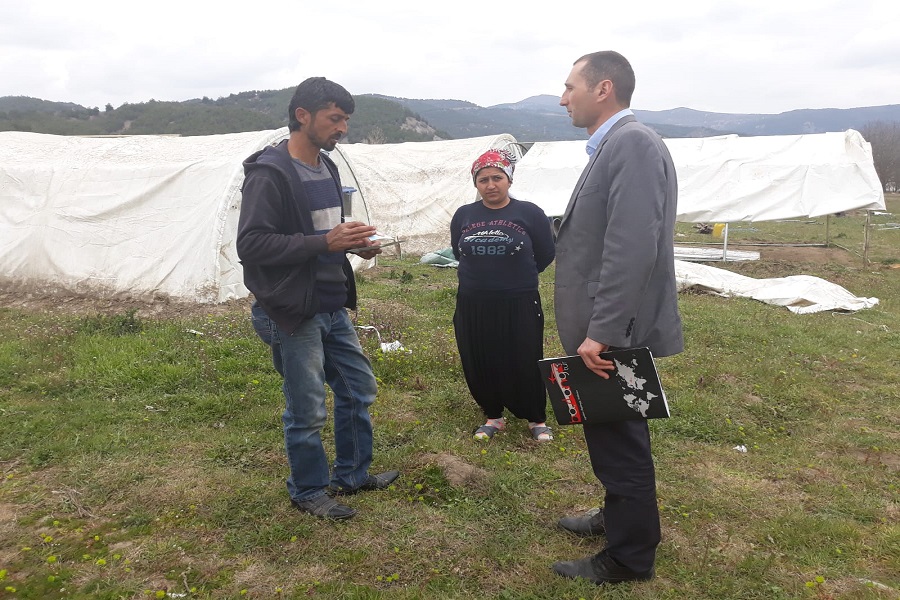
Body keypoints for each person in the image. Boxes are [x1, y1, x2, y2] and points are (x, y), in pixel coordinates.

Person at [236, 77, 399, 521]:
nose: (342, 128)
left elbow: (326, 237)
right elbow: (251, 246)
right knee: (307, 407)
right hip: (292, 309)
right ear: (302, 115)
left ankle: (351, 474)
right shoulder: (270, 174)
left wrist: (353, 244)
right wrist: (324, 242)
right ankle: (307, 490)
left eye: (345, 119)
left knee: (357, 389)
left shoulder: (327, 168)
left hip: (331, 302)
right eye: (334, 118)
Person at [550, 51, 684, 584]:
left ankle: (629, 556)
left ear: (602, 89)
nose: (563, 98)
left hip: (610, 332)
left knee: (619, 437)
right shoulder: (617, 145)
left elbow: (631, 246)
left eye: (569, 87)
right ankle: (620, 517)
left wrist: (602, 331)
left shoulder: (630, 143)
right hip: (606, 328)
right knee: (612, 432)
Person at [450, 148, 556, 441]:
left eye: (497, 177)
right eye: (483, 179)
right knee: (480, 357)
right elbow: (460, 251)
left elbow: (546, 253)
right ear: (476, 184)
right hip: (473, 301)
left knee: (524, 356)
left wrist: (515, 278)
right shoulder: (464, 215)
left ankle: (536, 418)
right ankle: (493, 416)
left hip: (519, 300)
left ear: (509, 180)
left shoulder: (529, 213)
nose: (490, 184)